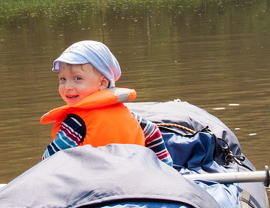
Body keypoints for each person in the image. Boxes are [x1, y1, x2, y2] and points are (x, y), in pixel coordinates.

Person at [41, 40, 173, 166]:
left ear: (103, 83)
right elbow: (152, 130)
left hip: (94, 187)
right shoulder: (127, 114)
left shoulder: (76, 123)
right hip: (132, 179)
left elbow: (49, 160)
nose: (67, 86)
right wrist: (166, 167)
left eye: (77, 78)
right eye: (63, 79)